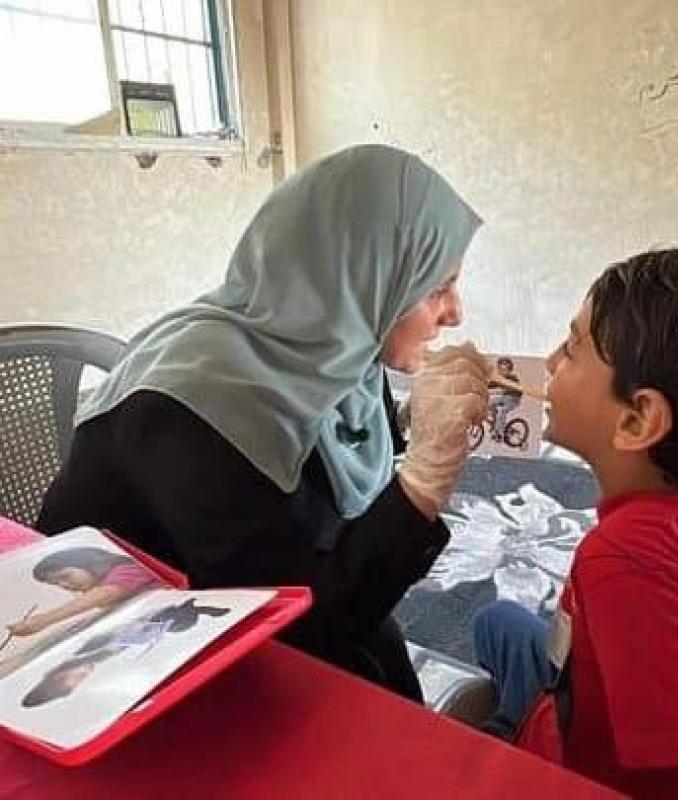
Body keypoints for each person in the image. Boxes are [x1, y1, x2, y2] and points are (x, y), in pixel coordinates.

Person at [36, 144, 490, 701]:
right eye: (437, 287)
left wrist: (412, 421)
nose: (456, 312)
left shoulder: (332, 346)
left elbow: (342, 474)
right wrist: (425, 478)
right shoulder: (196, 411)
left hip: (259, 597)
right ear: (363, 275)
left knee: (389, 671)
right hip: (123, 657)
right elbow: (307, 630)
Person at [473, 249, 678, 798]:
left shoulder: (628, 562)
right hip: (573, 700)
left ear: (637, 418)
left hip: (568, 770)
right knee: (497, 622)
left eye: (573, 350)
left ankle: (505, 730)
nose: (550, 361)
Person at [21, 598, 230, 707]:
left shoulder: (84, 648)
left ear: (56, 673)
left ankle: (194, 609)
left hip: (148, 616)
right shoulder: (103, 670)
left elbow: (121, 627)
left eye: (68, 676)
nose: (82, 674)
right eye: (77, 682)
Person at [6, 547, 159, 638]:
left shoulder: (128, 569)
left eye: (65, 576)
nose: (64, 585)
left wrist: (43, 620)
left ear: (89, 563)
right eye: (56, 584)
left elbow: (105, 593)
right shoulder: (102, 585)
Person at [488, 356, 522, 440]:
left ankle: (499, 434)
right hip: (503, 397)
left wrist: (507, 387)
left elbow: (518, 390)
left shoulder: (513, 378)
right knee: (488, 402)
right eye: (500, 369)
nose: (502, 371)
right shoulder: (499, 378)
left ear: (509, 369)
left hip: (513, 399)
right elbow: (489, 385)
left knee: (501, 410)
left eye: (505, 369)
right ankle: (496, 422)